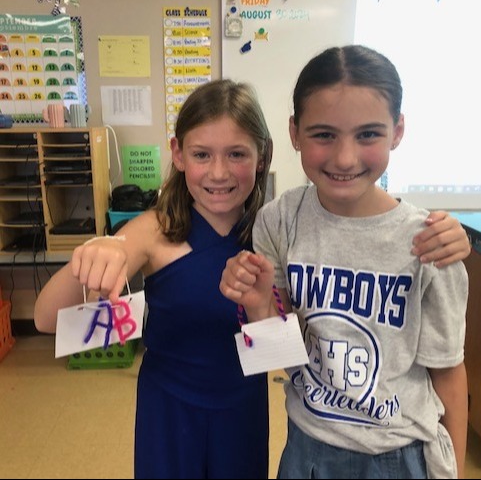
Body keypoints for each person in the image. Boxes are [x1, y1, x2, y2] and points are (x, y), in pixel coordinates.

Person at [34, 77, 468, 480]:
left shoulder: (276, 232)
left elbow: (279, 353)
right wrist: (96, 251)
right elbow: (48, 319)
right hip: (167, 411)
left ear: (263, 156)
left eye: (237, 154)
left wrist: (441, 231)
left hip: (242, 410)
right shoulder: (154, 229)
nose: (219, 173)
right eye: (202, 154)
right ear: (178, 154)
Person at [219, 45, 469, 479]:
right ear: (295, 133)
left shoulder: (431, 244)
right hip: (307, 446)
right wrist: (260, 307)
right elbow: (279, 358)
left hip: (398, 455)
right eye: (324, 135)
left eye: (368, 134)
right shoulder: (278, 221)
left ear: (398, 131)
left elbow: (448, 372)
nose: (345, 158)